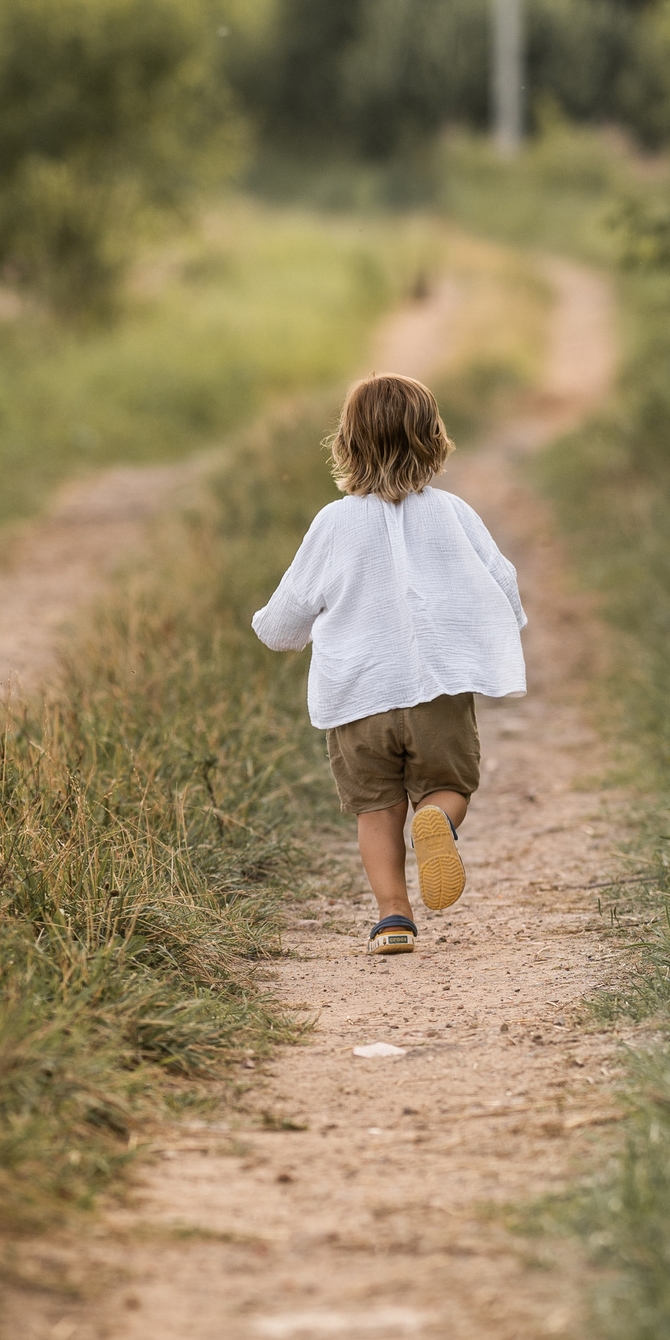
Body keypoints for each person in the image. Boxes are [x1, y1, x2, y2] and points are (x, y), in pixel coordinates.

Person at [253, 372, 527, 954]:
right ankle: (439, 823)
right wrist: (506, 627)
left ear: (346, 444)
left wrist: (275, 630)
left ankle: (393, 918)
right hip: (440, 693)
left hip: (359, 697)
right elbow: (502, 582)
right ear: (434, 439)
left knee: (376, 809)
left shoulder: (332, 523)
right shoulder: (453, 513)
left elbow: (285, 621)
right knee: (450, 785)